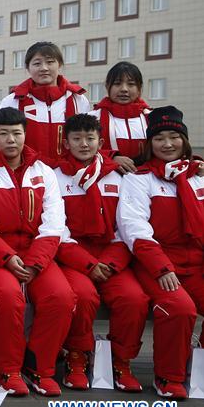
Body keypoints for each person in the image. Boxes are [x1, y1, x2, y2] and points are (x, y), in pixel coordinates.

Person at [0, 107, 75, 396]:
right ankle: (7, 370)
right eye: (4, 134)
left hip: (37, 254)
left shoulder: (43, 171)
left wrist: (34, 262)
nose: (11, 140)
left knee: (61, 297)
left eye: (17, 133)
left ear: (25, 135)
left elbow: (54, 223)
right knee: (7, 298)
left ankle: (39, 367)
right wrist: (7, 258)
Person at [55, 113, 148, 392]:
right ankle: (77, 356)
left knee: (134, 299)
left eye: (90, 138)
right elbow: (57, 230)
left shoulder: (119, 177)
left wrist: (108, 262)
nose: (84, 144)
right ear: (66, 142)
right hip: (73, 255)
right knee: (82, 296)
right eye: (77, 138)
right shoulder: (56, 176)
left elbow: (127, 227)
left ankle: (121, 360)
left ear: (101, 141)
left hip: (113, 255)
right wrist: (86, 264)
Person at [117, 106, 204, 399]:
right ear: (149, 144)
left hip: (198, 263)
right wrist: (162, 267)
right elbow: (133, 227)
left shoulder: (199, 176)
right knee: (181, 309)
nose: (167, 144)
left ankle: (198, 363)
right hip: (157, 263)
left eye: (174, 137)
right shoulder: (140, 179)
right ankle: (168, 376)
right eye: (159, 139)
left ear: (185, 140)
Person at [0, 41, 90, 166]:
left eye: (50, 62)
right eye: (37, 63)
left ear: (60, 65)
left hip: (70, 171)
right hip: (28, 171)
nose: (44, 68)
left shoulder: (78, 99)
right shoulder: (12, 101)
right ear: (28, 68)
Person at [89, 62, 149, 174]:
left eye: (131, 84)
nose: (124, 89)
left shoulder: (151, 117)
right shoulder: (93, 117)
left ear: (139, 88)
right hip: (107, 178)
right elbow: (82, 148)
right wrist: (111, 158)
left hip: (145, 179)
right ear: (108, 86)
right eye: (117, 84)